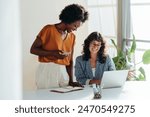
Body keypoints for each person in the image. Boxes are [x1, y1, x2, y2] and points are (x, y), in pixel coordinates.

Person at [30, 4, 88, 89]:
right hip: (47, 69)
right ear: (68, 20)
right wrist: (53, 53)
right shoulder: (48, 29)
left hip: (63, 71)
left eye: (77, 27)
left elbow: (70, 61)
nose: (75, 29)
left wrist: (71, 80)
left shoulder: (72, 37)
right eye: (75, 26)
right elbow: (33, 49)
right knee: (48, 99)